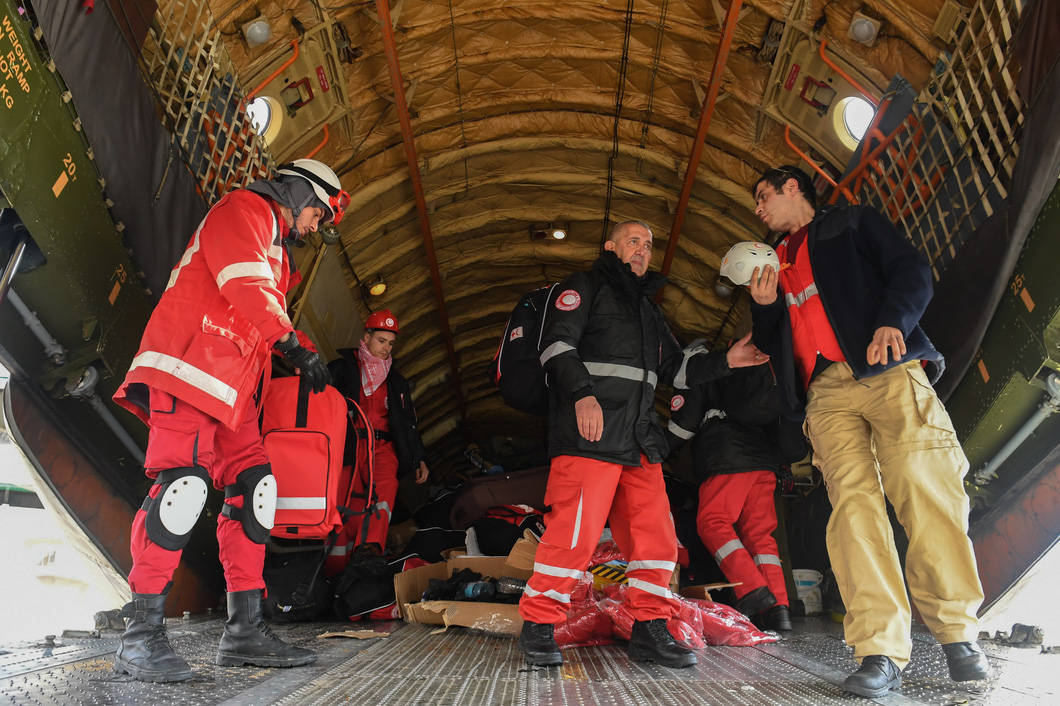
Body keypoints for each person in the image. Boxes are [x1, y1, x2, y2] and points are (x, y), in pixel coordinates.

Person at [747, 165, 990, 698]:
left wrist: (892, 322)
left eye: (764, 196)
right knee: (853, 511)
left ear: (793, 187)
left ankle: (957, 634)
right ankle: (879, 649)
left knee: (926, 491)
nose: (759, 209)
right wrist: (762, 309)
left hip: (887, 370)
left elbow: (912, 271)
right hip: (825, 396)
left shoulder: (852, 223)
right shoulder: (768, 265)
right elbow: (772, 341)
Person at [111, 159, 347, 682]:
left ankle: (244, 631)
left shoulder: (277, 250)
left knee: (255, 488)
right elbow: (244, 283)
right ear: (299, 191)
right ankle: (141, 636)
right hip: (189, 370)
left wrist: (304, 353)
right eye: (319, 213)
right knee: (184, 489)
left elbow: (262, 312)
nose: (317, 226)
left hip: (230, 393)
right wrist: (290, 343)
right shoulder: (245, 210)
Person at [517, 220, 767, 668]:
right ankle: (538, 627)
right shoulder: (583, 286)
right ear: (610, 246)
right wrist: (582, 394)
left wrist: (727, 360)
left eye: (649, 245)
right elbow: (556, 347)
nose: (642, 250)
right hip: (588, 436)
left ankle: (651, 628)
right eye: (633, 241)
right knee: (572, 539)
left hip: (638, 441)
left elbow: (675, 369)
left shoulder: (648, 310)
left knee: (657, 541)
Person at [664, 318, 806, 633]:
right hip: (764, 462)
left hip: (726, 457)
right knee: (760, 536)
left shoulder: (702, 367)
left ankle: (752, 590)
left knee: (712, 522)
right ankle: (777, 609)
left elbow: (685, 424)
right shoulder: (749, 375)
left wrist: (655, 450)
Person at [327, 310, 430, 566]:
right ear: (367, 337)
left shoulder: (396, 381)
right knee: (346, 500)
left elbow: (408, 423)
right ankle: (336, 566)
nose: (386, 348)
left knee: (386, 489)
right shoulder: (342, 368)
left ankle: (369, 551)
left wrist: (418, 458)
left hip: (383, 446)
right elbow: (320, 401)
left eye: (391, 343)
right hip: (349, 445)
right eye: (381, 341)